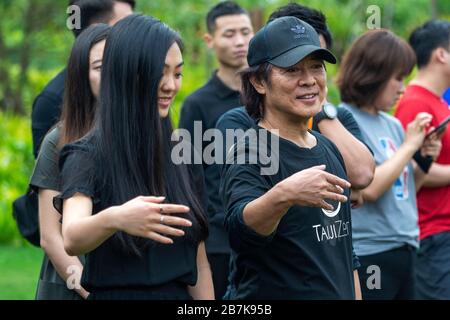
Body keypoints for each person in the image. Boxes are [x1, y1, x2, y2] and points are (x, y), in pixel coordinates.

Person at [55, 14, 213, 300]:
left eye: (177, 74)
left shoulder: (183, 153)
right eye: (159, 73)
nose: (170, 86)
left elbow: (199, 258)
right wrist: (116, 218)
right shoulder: (86, 154)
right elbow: (72, 237)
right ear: (128, 73)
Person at [221, 16, 358, 299]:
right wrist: (284, 194)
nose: (308, 81)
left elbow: (344, 250)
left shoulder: (328, 147)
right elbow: (238, 231)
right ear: (259, 81)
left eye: (316, 68)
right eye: (292, 70)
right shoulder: (251, 151)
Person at [216, 2, 374, 200]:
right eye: (292, 66)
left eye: (316, 64)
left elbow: (362, 175)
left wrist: (321, 110)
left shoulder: (338, 119)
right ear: (260, 80)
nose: (309, 79)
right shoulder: (239, 125)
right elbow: (237, 203)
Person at [338, 29, 442, 300]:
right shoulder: (343, 121)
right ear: (373, 75)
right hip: (372, 252)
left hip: (406, 246)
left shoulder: (392, 124)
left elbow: (407, 189)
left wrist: (425, 157)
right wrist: (409, 147)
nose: (402, 88)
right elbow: (369, 189)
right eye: (397, 78)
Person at [178, 1, 253, 299]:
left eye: (245, 32)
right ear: (210, 41)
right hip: (218, 240)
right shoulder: (197, 104)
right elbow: (186, 173)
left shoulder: (269, 95)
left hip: (265, 234)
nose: (239, 41)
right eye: (229, 33)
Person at [29, 24, 110, 300]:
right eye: (100, 67)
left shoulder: (143, 135)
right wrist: (91, 292)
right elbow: (51, 237)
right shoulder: (58, 140)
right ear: (81, 74)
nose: (111, 74)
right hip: (71, 283)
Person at [31, 0, 135, 158]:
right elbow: (50, 178)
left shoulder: (136, 83)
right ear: (97, 30)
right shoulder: (52, 101)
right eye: (125, 26)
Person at [395, 20, 450, 299]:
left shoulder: (439, 101)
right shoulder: (415, 102)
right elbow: (411, 172)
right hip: (433, 232)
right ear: (441, 54)